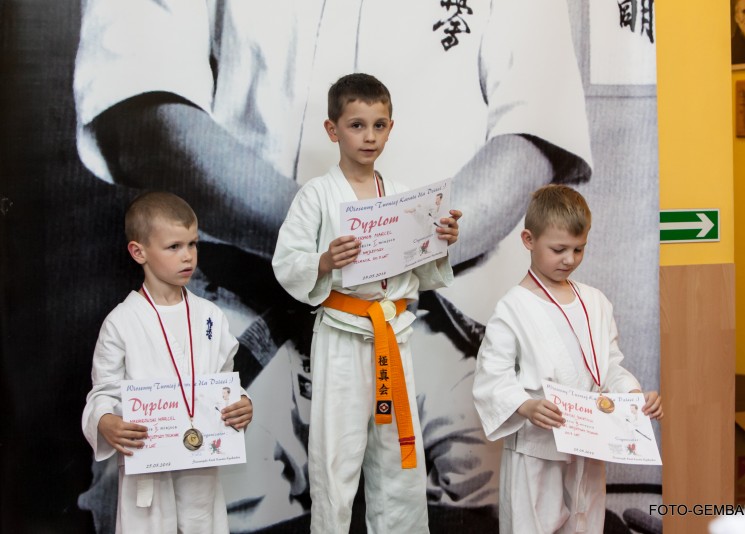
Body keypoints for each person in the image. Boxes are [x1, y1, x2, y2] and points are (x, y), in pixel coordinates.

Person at [73, 2, 594, 529]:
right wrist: (322, 242)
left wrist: (392, 248)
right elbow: (140, 106)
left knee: (526, 497)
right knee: (168, 502)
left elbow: (533, 129)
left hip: (437, 309)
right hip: (234, 303)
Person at [272, 73, 462, 534]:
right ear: (332, 129)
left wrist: (439, 241)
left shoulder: (402, 197)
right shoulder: (316, 195)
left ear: (391, 128)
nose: (369, 137)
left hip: (392, 336)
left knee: (399, 460)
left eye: (379, 126)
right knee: (335, 457)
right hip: (343, 336)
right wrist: (324, 261)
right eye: (357, 125)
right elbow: (287, 262)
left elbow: (420, 273)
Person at [472, 185, 663, 534]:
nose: (570, 259)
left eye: (579, 248)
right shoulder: (513, 307)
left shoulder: (595, 301)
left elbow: (609, 366)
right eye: (558, 249)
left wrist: (633, 397)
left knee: (587, 525)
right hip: (536, 450)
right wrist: (526, 405)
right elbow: (492, 376)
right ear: (529, 240)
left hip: (588, 445)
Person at [81, 191, 254, 533]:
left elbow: (225, 381)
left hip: (201, 463)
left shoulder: (211, 316)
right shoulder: (121, 322)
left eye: (193, 244)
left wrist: (242, 403)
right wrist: (105, 421)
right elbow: (103, 392)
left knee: (203, 524)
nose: (187, 256)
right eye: (174, 247)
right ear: (139, 252)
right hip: (148, 465)